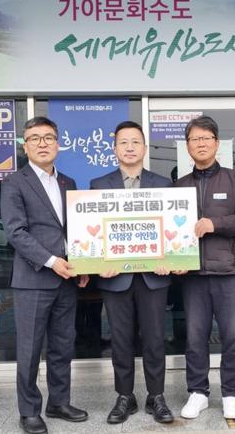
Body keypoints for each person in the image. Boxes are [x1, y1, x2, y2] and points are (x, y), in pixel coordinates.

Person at [0, 116, 89, 434]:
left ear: (58, 144)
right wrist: (52, 261)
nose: (42, 143)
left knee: (63, 345)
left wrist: (81, 265)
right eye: (34, 138)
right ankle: (29, 411)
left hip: (67, 277)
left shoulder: (68, 182)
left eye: (48, 138)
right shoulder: (14, 182)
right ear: (25, 146)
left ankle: (59, 402)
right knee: (30, 349)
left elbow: (74, 229)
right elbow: (15, 232)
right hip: (34, 278)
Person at [174, 115, 235, 420]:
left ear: (216, 143)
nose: (200, 143)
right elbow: (171, 231)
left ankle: (231, 393)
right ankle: (197, 392)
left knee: (233, 335)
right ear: (187, 146)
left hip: (230, 272)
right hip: (193, 275)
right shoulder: (179, 186)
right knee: (195, 336)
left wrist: (215, 223)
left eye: (205, 138)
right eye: (194, 139)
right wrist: (174, 260)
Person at [90, 121, 174, 425]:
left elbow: (172, 227)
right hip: (115, 277)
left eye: (135, 142)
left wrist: (170, 258)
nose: (129, 147)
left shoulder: (163, 185)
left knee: (154, 339)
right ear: (114, 149)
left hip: (154, 276)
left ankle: (157, 396)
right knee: (121, 340)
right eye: (123, 142)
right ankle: (125, 396)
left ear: (144, 148)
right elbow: (93, 231)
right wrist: (98, 262)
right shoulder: (98, 185)